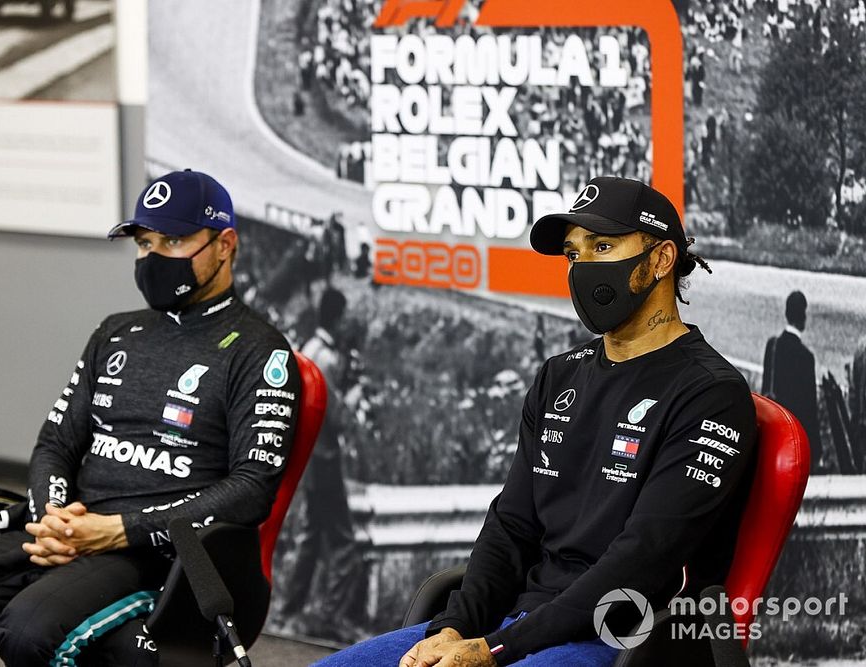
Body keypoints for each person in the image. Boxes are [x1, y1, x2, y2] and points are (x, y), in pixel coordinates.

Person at [314, 176, 757, 667]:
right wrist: (453, 628)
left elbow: (642, 562)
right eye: (573, 255)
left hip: (622, 641)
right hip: (513, 629)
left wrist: (496, 650)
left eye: (603, 246)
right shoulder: (559, 375)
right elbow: (511, 526)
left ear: (660, 260)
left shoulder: (710, 394)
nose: (583, 268)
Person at [0, 170, 302, 666]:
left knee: (29, 631)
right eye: (144, 242)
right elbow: (55, 442)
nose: (153, 256)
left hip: (154, 554)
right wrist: (54, 517)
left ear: (224, 245)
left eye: (174, 240)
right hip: (63, 531)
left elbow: (252, 487)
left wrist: (119, 530)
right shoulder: (115, 333)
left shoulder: (258, 349)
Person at [279, 287, 365, 639]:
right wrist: (355, 394)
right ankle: (331, 616)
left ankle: (288, 612)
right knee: (343, 541)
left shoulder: (309, 348)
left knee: (311, 537)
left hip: (309, 458)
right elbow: (336, 415)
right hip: (324, 459)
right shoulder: (326, 357)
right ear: (338, 317)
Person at [762, 290, 822, 470]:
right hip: (795, 437)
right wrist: (816, 448)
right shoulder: (806, 357)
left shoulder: (772, 346)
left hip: (773, 434)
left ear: (786, 314)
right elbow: (810, 407)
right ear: (803, 316)